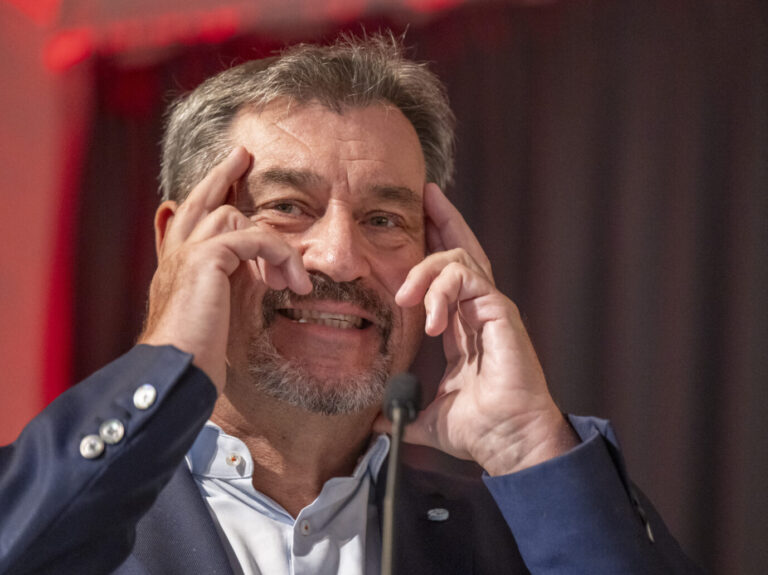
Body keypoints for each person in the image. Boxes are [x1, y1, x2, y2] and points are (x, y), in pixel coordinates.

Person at [0, 34, 701, 575]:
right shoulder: (67, 512)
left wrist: (529, 443)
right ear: (177, 242)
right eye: (286, 206)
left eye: (383, 219)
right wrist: (165, 362)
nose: (339, 257)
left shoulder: (518, 538)